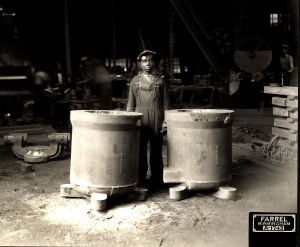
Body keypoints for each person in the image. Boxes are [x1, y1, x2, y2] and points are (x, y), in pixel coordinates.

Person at [127, 50, 170, 190]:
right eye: (144, 61)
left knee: (156, 150)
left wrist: (165, 121)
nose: (148, 63)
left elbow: (166, 104)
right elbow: (130, 105)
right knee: (140, 150)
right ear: (140, 63)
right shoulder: (135, 81)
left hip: (157, 118)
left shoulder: (160, 80)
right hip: (141, 119)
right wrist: (130, 122)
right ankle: (140, 178)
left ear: (154, 62)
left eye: (150, 60)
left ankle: (157, 178)